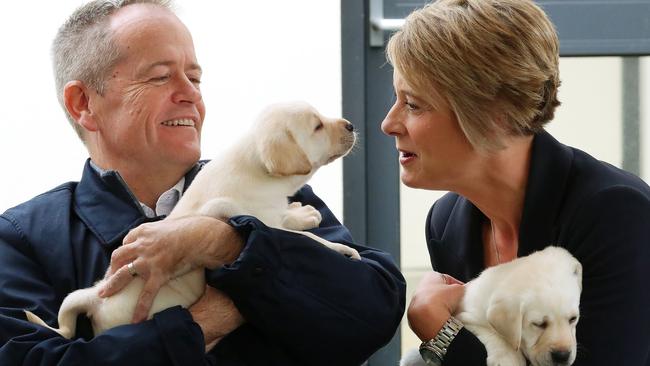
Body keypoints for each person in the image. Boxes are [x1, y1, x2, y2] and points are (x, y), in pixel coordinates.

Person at [0, 1, 406, 365]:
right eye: (160, 78)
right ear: (83, 104)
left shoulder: (278, 186)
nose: (190, 95)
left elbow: (373, 311)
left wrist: (227, 243)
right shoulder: (21, 239)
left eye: (195, 78)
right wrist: (214, 313)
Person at [380, 0, 650, 365]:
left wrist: (442, 333)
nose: (388, 123)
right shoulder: (445, 223)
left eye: (412, 104)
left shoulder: (615, 213)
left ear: (494, 113)